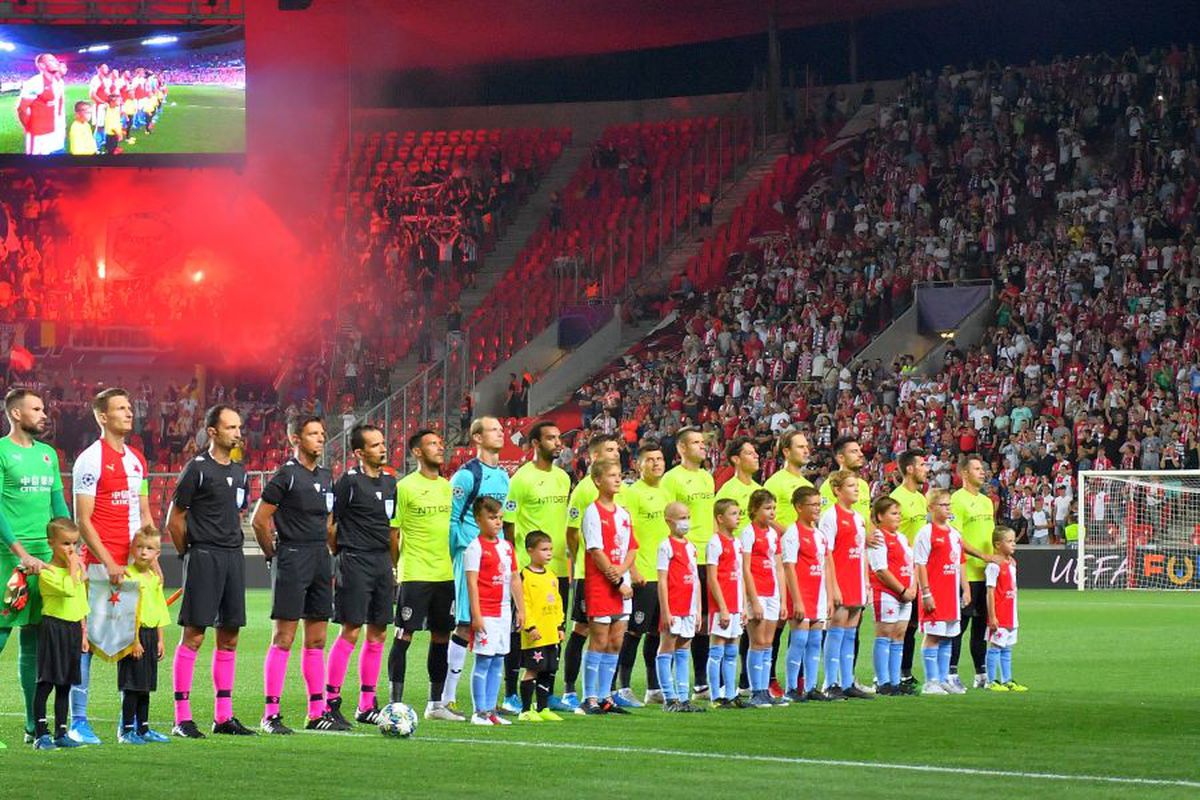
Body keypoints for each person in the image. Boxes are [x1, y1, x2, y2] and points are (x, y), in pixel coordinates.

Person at [71, 387, 152, 745]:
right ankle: (78, 721)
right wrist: (107, 560)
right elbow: (82, 520)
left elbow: (145, 511)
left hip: (132, 565)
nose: (129, 413)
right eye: (121, 408)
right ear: (102, 416)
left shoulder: (137, 459)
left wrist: (151, 559)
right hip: (99, 566)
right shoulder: (89, 459)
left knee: (131, 641)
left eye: (129, 407)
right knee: (86, 642)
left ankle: (129, 726)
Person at [168, 405, 254, 738]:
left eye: (239, 427)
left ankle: (223, 717)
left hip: (233, 557)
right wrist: (189, 554)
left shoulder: (241, 472)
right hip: (204, 555)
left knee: (229, 637)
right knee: (194, 635)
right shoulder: (196, 469)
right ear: (213, 432)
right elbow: (175, 521)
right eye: (231, 427)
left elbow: (235, 513)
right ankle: (182, 717)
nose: (238, 432)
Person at [251, 415, 335, 734]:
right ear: (295, 439)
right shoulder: (284, 476)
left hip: (319, 557)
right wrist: (274, 555)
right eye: (313, 433)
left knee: (317, 638)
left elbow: (328, 522)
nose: (321, 438)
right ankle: (270, 714)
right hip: (292, 556)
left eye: (322, 433)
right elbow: (260, 520)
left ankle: (316, 712)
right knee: (283, 638)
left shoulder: (327, 477)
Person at [0, 388, 71, 748]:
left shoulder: (47, 455)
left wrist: (70, 551)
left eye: (44, 408)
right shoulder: (1, 451)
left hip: (43, 563)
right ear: (15, 414)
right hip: (7, 563)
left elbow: (58, 504)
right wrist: (18, 553)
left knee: (36, 647)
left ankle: (34, 727)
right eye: (37, 409)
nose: (45, 414)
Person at [326, 424, 398, 729]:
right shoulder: (348, 483)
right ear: (359, 452)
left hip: (382, 562)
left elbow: (393, 527)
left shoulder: (391, 483)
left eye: (383, 443)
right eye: (375, 445)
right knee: (351, 631)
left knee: (378, 632)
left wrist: (393, 566)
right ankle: (330, 701)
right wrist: (340, 555)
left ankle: (367, 704)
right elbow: (331, 525)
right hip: (353, 560)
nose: (383, 448)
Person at [502, 421, 570, 713]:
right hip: (527, 571)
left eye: (558, 438)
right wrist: (515, 565)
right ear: (535, 444)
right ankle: (511, 694)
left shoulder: (563, 478)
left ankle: (548, 692)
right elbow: (508, 524)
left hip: (556, 569)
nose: (558, 443)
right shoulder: (520, 479)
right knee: (521, 631)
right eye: (551, 438)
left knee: (555, 630)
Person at [443, 417, 510, 713]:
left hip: (495, 560)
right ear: (478, 438)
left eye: (501, 428)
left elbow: (501, 521)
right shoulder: (466, 476)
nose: (501, 432)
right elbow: (452, 520)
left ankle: (486, 700)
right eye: (494, 429)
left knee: (493, 624)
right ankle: (447, 697)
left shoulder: (505, 477)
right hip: (471, 559)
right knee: (466, 624)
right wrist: (464, 551)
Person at [388, 428, 456, 721]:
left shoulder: (447, 486)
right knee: (405, 634)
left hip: (444, 573)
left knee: (442, 635)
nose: (440, 448)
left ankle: (436, 704)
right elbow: (393, 532)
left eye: (440, 443)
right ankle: (395, 704)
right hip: (415, 572)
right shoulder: (404, 487)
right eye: (432, 444)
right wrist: (398, 566)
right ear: (417, 451)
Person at [561, 432, 621, 708]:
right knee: (583, 628)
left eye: (617, 449)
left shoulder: (619, 488)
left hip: (616, 573)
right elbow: (572, 532)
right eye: (609, 449)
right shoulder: (584, 489)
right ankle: (571, 688)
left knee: (613, 632)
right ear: (595, 456)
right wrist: (579, 560)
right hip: (592, 574)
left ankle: (605, 691)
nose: (616, 453)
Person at [577, 459, 637, 715]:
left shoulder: (624, 513)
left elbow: (633, 547)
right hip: (602, 585)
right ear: (597, 481)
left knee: (615, 641)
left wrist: (623, 573)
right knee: (599, 640)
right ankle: (589, 697)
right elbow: (595, 550)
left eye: (619, 475)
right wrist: (618, 580)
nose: (617, 479)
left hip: (621, 584)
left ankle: (605, 697)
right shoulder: (593, 511)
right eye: (612, 475)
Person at [614, 439, 670, 707]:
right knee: (634, 631)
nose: (656, 463)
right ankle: (622, 686)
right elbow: (626, 534)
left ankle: (653, 687)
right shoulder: (632, 493)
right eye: (650, 459)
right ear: (638, 465)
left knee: (657, 632)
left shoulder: (668, 492)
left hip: (664, 574)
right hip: (643, 574)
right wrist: (633, 569)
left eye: (659, 459)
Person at [661, 427, 715, 698]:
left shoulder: (707, 478)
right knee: (669, 623)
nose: (702, 446)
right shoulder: (672, 479)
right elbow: (668, 517)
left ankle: (700, 681)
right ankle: (659, 684)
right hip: (682, 556)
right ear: (682, 448)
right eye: (695, 442)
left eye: (703, 442)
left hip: (707, 556)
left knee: (701, 621)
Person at [465, 497, 524, 726]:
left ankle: (490, 710)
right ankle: (478, 712)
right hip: (486, 613)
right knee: (484, 660)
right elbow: (471, 584)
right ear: (479, 520)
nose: (498, 522)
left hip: (504, 612)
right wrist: (476, 615)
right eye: (492, 518)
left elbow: (515, 579)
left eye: (500, 518)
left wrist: (520, 609)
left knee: (498, 660)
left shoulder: (507, 547)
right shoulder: (475, 548)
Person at [32, 518, 87, 750]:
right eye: (65, 543)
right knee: (47, 682)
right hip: (54, 628)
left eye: (74, 543)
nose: (71, 549)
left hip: (73, 629)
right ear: (51, 543)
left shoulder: (75, 572)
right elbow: (67, 590)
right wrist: (75, 570)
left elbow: (81, 602)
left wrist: (84, 633)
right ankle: (40, 734)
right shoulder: (47, 572)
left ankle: (61, 732)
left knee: (66, 683)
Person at [816, 469, 872, 700]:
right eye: (851, 486)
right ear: (837, 490)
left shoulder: (858, 518)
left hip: (856, 580)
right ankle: (830, 682)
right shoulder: (830, 517)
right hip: (840, 580)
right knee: (836, 630)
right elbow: (826, 553)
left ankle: (847, 681)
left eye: (857, 485)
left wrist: (866, 581)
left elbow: (862, 551)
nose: (856, 489)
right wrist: (832, 587)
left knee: (850, 633)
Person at [949, 454, 1000, 690]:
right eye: (977, 468)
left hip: (986, 573)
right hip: (966, 573)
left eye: (983, 468)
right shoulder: (956, 500)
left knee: (982, 625)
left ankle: (981, 675)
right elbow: (956, 538)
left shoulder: (987, 501)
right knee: (960, 626)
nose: (983, 472)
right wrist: (983, 556)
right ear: (965, 473)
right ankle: (951, 674)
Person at [914, 488, 970, 695]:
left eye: (949, 505)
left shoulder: (955, 534)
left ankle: (944, 677)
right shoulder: (926, 533)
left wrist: (966, 589)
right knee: (933, 635)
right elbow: (919, 564)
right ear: (931, 508)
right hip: (934, 593)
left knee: (948, 636)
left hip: (951, 596)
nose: (948, 509)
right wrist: (926, 593)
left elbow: (961, 562)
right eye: (943, 505)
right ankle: (931, 681)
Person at [117, 525, 170, 744]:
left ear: (157, 553)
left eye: (149, 548)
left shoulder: (154, 579)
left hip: (149, 635)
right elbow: (124, 613)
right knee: (132, 685)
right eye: (139, 547)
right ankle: (126, 730)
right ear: (132, 549)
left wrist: (160, 639)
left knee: (145, 685)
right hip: (133, 637)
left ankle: (143, 728)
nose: (143, 552)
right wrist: (133, 640)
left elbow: (159, 609)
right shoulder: (127, 576)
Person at [781, 486, 831, 702]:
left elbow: (824, 566)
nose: (817, 508)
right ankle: (792, 688)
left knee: (815, 640)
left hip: (817, 593)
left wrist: (828, 596)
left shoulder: (819, 534)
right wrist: (797, 601)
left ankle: (810, 687)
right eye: (813, 504)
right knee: (799, 640)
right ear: (799, 507)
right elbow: (789, 567)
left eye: (819, 504)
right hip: (800, 594)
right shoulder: (792, 533)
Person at [655, 501, 703, 713]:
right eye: (682, 518)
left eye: (688, 517)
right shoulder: (665, 546)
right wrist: (665, 610)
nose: (686, 522)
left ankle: (683, 698)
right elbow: (662, 580)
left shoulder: (691, 547)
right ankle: (669, 697)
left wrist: (698, 609)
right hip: (674, 606)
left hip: (689, 607)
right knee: (667, 648)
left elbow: (696, 580)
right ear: (669, 521)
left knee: (684, 649)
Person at [740, 489, 787, 707]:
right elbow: (745, 568)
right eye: (767, 508)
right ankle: (756, 690)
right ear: (754, 510)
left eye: (774, 508)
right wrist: (753, 599)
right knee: (757, 642)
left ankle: (764, 690)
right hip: (757, 592)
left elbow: (778, 567)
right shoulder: (749, 533)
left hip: (772, 593)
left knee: (768, 643)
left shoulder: (772, 534)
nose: (772, 512)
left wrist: (783, 599)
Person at [866, 497, 915, 696]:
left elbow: (911, 566)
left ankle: (895, 681)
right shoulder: (878, 537)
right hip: (886, 592)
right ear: (880, 516)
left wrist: (911, 589)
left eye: (898, 513)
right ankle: (883, 681)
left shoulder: (901, 538)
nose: (898, 517)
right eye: (893, 513)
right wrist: (903, 591)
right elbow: (880, 570)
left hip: (905, 594)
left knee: (899, 635)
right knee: (885, 634)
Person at [889, 449, 928, 693]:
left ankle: (904, 673)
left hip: (917, 570)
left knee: (912, 626)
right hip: (899, 570)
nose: (926, 469)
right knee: (897, 627)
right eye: (922, 465)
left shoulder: (922, 499)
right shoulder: (897, 498)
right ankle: (889, 675)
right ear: (910, 469)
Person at [517, 530, 564, 722]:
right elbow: (524, 603)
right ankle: (526, 710)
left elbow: (558, 602)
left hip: (551, 632)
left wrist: (560, 626)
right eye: (544, 549)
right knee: (533, 668)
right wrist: (530, 626)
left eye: (551, 549)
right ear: (530, 551)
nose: (549, 553)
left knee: (549, 669)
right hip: (534, 634)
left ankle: (543, 707)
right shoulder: (525, 576)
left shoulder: (551, 575)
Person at [705, 498, 747, 708]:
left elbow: (739, 576)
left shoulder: (737, 542)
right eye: (733, 513)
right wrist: (722, 607)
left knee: (732, 650)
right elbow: (712, 578)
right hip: (721, 606)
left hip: (736, 604)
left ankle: (731, 693)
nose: (738, 517)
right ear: (720, 518)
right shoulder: (715, 542)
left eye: (739, 513)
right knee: (717, 650)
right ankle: (715, 696)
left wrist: (744, 606)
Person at [985, 526, 1026, 692]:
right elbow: (990, 592)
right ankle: (991, 680)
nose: (1013, 544)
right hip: (999, 615)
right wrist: (992, 616)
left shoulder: (1011, 564)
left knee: (1007, 649)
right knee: (995, 647)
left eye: (1013, 540)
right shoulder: (994, 566)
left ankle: (1007, 679)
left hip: (1011, 615)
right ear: (997, 545)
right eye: (1009, 541)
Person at [17, 53, 67, 155]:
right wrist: (29, 127)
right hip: (39, 137)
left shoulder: (57, 82)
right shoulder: (35, 82)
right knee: (36, 168)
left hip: (55, 133)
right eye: (51, 61)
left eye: (56, 60)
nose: (57, 62)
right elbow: (21, 109)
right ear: (42, 65)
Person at [764, 430, 814, 531]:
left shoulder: (808, 485)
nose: (806, 451)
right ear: (786, 452)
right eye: (800, 447)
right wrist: (790, 536)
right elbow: (764, 516)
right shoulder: (774, 483)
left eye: (806, 446)